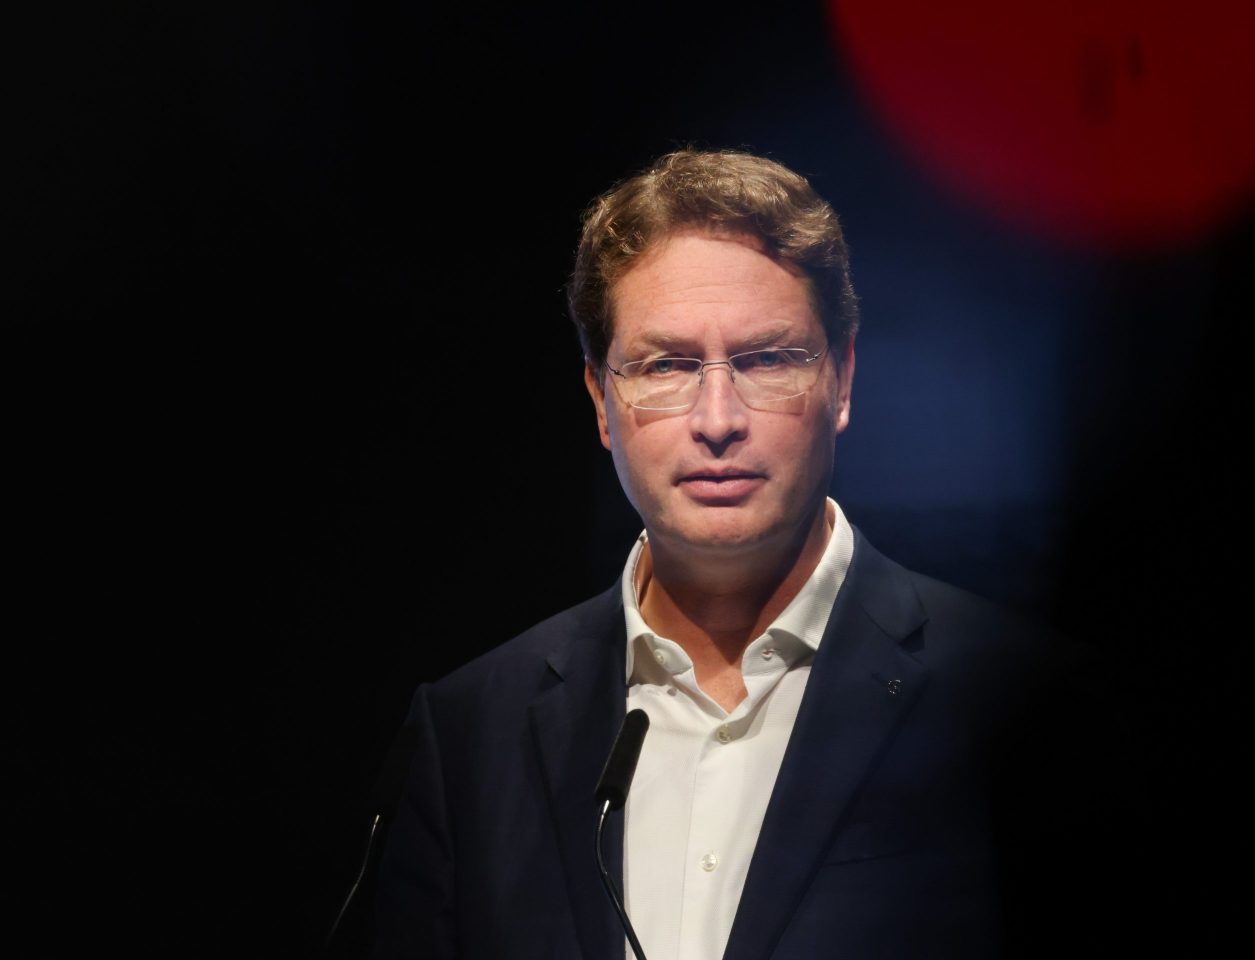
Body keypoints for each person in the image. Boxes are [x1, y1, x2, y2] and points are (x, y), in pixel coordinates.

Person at [373, 149, 1138, 959]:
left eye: (767, 359)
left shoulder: (1022, 705)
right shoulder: (470, 732)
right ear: (601, 399)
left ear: (843, 380)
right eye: (666, 365)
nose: (717, 420)